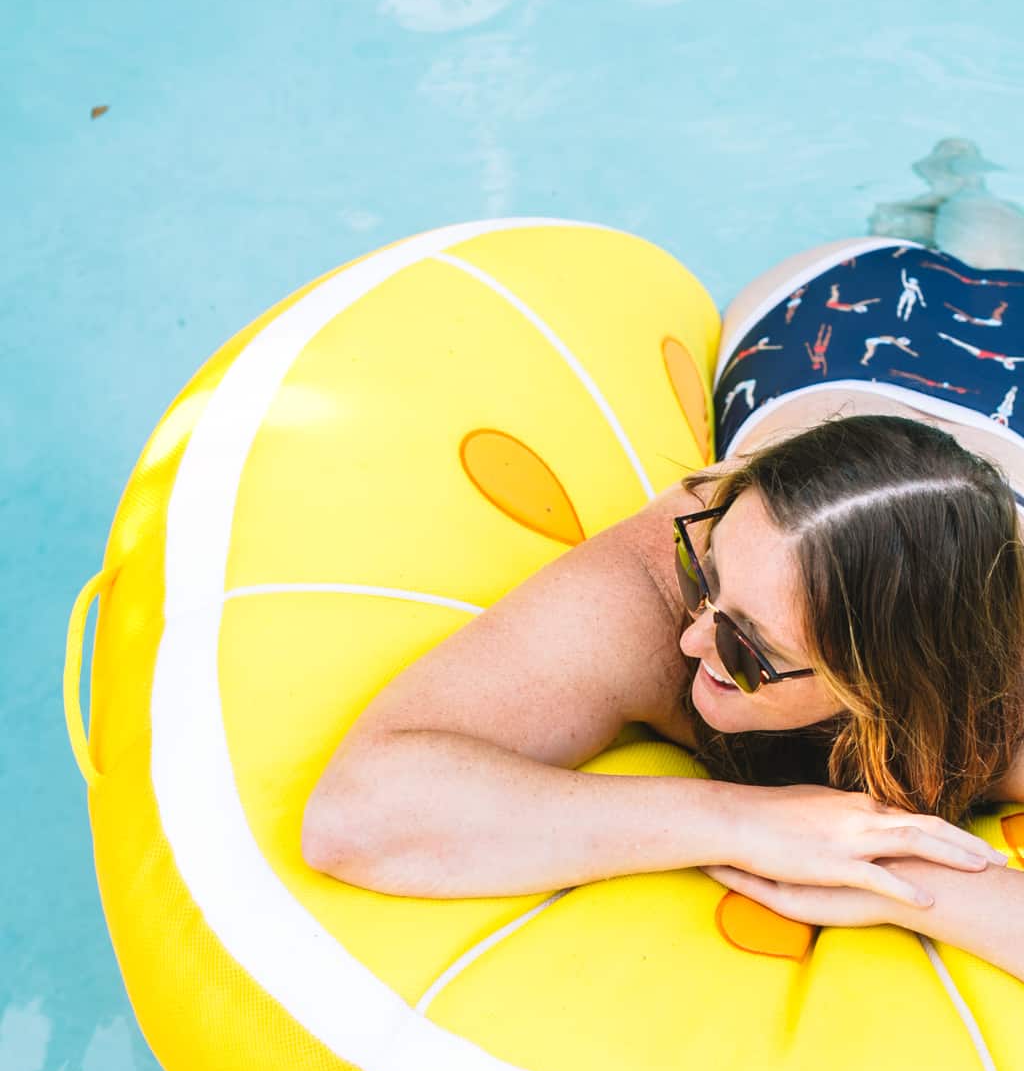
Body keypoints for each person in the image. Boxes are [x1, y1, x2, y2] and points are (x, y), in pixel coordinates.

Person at [301, 229, 1024, 983]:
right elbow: (356, 815)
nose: (688, 641)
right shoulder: (654, 588)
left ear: (886, 685)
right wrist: (741, 822)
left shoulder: (1002, 706)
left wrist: (911, 887)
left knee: (994, 242)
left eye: (749, 650)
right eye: (704, 572)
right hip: (837, 317)